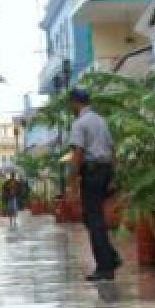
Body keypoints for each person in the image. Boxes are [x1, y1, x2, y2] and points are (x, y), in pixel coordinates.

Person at [67, 88, 120, 281]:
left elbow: (78, 154)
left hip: (92, 173)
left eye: (70, 104)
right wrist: (114, 175)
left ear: (75, 102)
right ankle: (111, 257)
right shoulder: (101, 120)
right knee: (93, 219)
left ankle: (105, 267)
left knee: (94, 219)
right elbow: (113, 149)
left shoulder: (80, 124)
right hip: (106, 171)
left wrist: (71, 182)